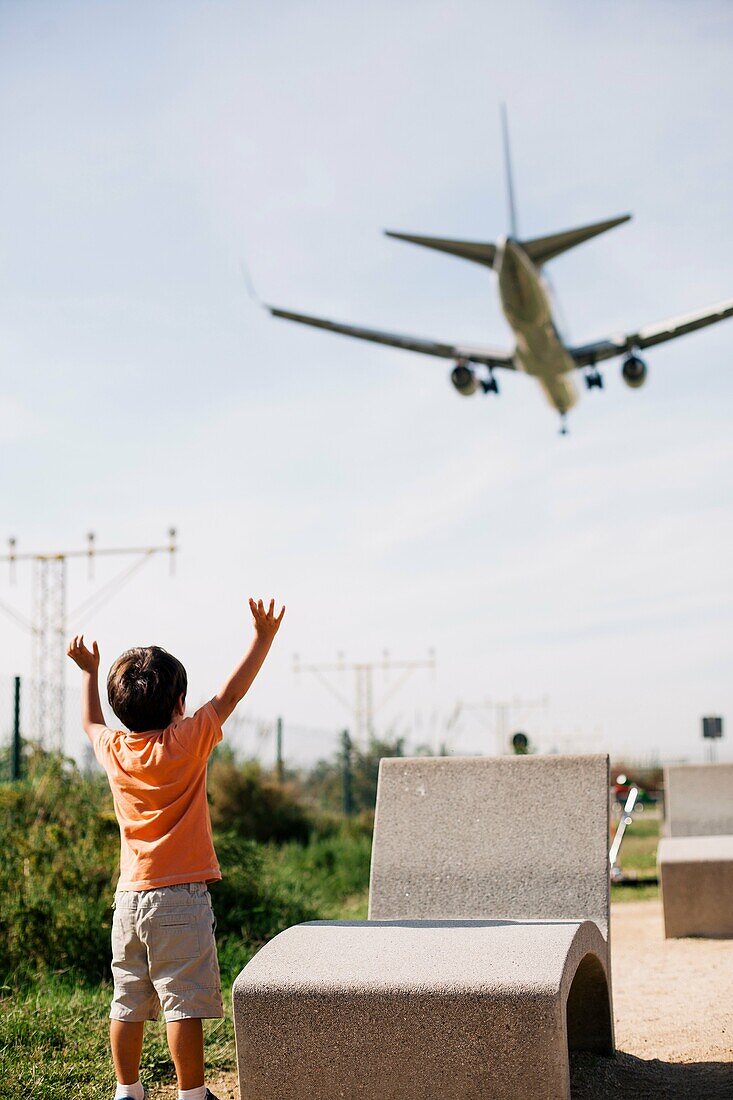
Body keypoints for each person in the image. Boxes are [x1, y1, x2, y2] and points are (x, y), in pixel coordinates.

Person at [67, 598, 285, 1100]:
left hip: (129, 899)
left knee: (127, 1000)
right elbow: (230, 697)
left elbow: (89, 724)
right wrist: (262, 638)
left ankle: (127, 1091)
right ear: (179, 704)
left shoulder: (115, 750)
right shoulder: (186, 741)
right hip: (180, 899)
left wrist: (88, 672)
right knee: (182, 1002)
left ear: (123, 707)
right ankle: (192, 1094)